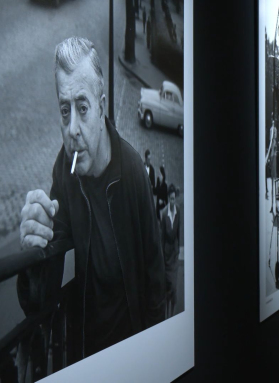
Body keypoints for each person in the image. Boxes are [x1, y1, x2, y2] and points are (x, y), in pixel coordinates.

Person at [18, 37, 166, 359]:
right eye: (64, 110)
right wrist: (34, 255)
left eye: (82, 109)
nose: (72, 128)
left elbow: (155, 277)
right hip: (84, 358)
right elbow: (41, 300)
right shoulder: (65, 171)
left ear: (101, 108)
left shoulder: (133, 174)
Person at [160, 184, 180, 319]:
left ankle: (172, 314)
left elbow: (178, 232)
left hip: (174, 255)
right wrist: (161, 256)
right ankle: (167, 316)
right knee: (168, 288)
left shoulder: (178, 211)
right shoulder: (163, 213)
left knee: (173, 288)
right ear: (168, 199)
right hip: (166, 256)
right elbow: (162, 237)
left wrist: (178, 249)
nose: (173, 202)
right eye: (171, 199)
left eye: (174, 199)